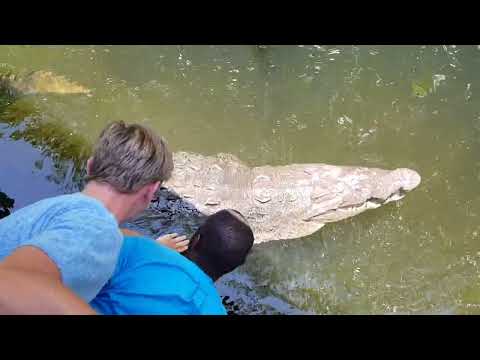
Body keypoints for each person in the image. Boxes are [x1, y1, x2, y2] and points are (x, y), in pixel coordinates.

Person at [0, 121, 173, 314]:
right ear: (151, 191)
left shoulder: (69, 208)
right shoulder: (96, 230)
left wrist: (152, 247)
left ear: (90, 166)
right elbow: (6, 286)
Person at [90, 209, 254, 315]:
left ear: (196, 239)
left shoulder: (139, 253)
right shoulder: (215, 311)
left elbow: (91, 235)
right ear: (234, 266)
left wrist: (152, 246)